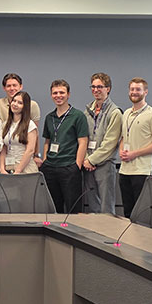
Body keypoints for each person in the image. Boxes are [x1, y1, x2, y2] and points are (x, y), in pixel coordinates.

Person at [119, 77, 152, 218]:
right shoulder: (126, 113)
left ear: (145, 92)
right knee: (127, 213)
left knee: (141, 215)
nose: (134, 92)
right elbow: (123, 137)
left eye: (138, 89)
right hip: (125, 170)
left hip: (143, 171)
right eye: (132, 89)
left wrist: (135, 154)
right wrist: (122, 150)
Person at [40, 80, 89, 214]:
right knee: (53, 208)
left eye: (62, 92)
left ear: (68, 94)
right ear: (51, 95)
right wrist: (45, 160)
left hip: (69, 168)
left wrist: (77, 166)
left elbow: (83, 142)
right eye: (55, 93)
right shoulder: (49, 117)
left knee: (73, 209)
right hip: (50, 168)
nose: (58, 95)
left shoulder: (78, 116)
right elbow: (47, 141)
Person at [82, 73, 123, 214]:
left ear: (108, 89)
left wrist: (91, 160)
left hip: (104, 165)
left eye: (100, 86)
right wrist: (86, 159)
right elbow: (83, 138)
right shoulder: (87, 111)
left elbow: (110, 143)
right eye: (93, 87)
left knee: (106, 207)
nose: (96, 90)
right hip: (88, 166)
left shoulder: (115, 112)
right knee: (93, 205)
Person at [0, 73, 42, 167]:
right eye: (8, 86)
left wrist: (36, 155)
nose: (12, 88)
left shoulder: (32, 105)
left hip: (24, 154)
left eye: (14, 85)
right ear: (4, 88)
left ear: (21, 86)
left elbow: (34, 135)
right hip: (5, 153)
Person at [0, 91, 38, 174]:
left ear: (25, 107)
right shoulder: (5, 124)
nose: (15, 104)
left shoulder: (30, 125)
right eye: (14, 101)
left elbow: (30, 150)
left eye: (20, 103)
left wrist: (18, 171)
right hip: (8, 167)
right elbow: (4, 148)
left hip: (25, 168)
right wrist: (2, 168)